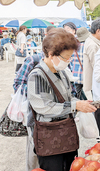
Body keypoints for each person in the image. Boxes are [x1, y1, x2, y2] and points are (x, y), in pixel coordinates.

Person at [27, 28, 97, 171]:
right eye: (66, 57)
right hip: (49, 140)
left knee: (70, 166)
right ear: (51, 54)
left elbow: (67, 96)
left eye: (70, 56)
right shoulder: (37, 75)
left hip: (66, 135)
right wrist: (74, 105)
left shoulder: (61, 72)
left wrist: (80, 103)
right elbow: (44, 107)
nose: (69, 60)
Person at [13, 25, 55, 171]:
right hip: (35, 119)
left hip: (56, 120)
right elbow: (17, 84)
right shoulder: (33, 60)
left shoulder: (62, 65)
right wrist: (37, 93)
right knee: (34, 152)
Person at [83, 19, 100, 100]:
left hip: (97, 81)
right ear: (98, 31)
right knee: (98, 106)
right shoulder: (92, 45)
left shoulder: (97, 42)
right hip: (96, 82)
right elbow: (97, 66)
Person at [70, 27, 90, 100]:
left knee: (77, 96)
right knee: (95, 95)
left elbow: (70, 61)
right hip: (88, 75)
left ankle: (77, 109)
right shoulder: (89, 46)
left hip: (76, 75)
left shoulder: (73, 47)